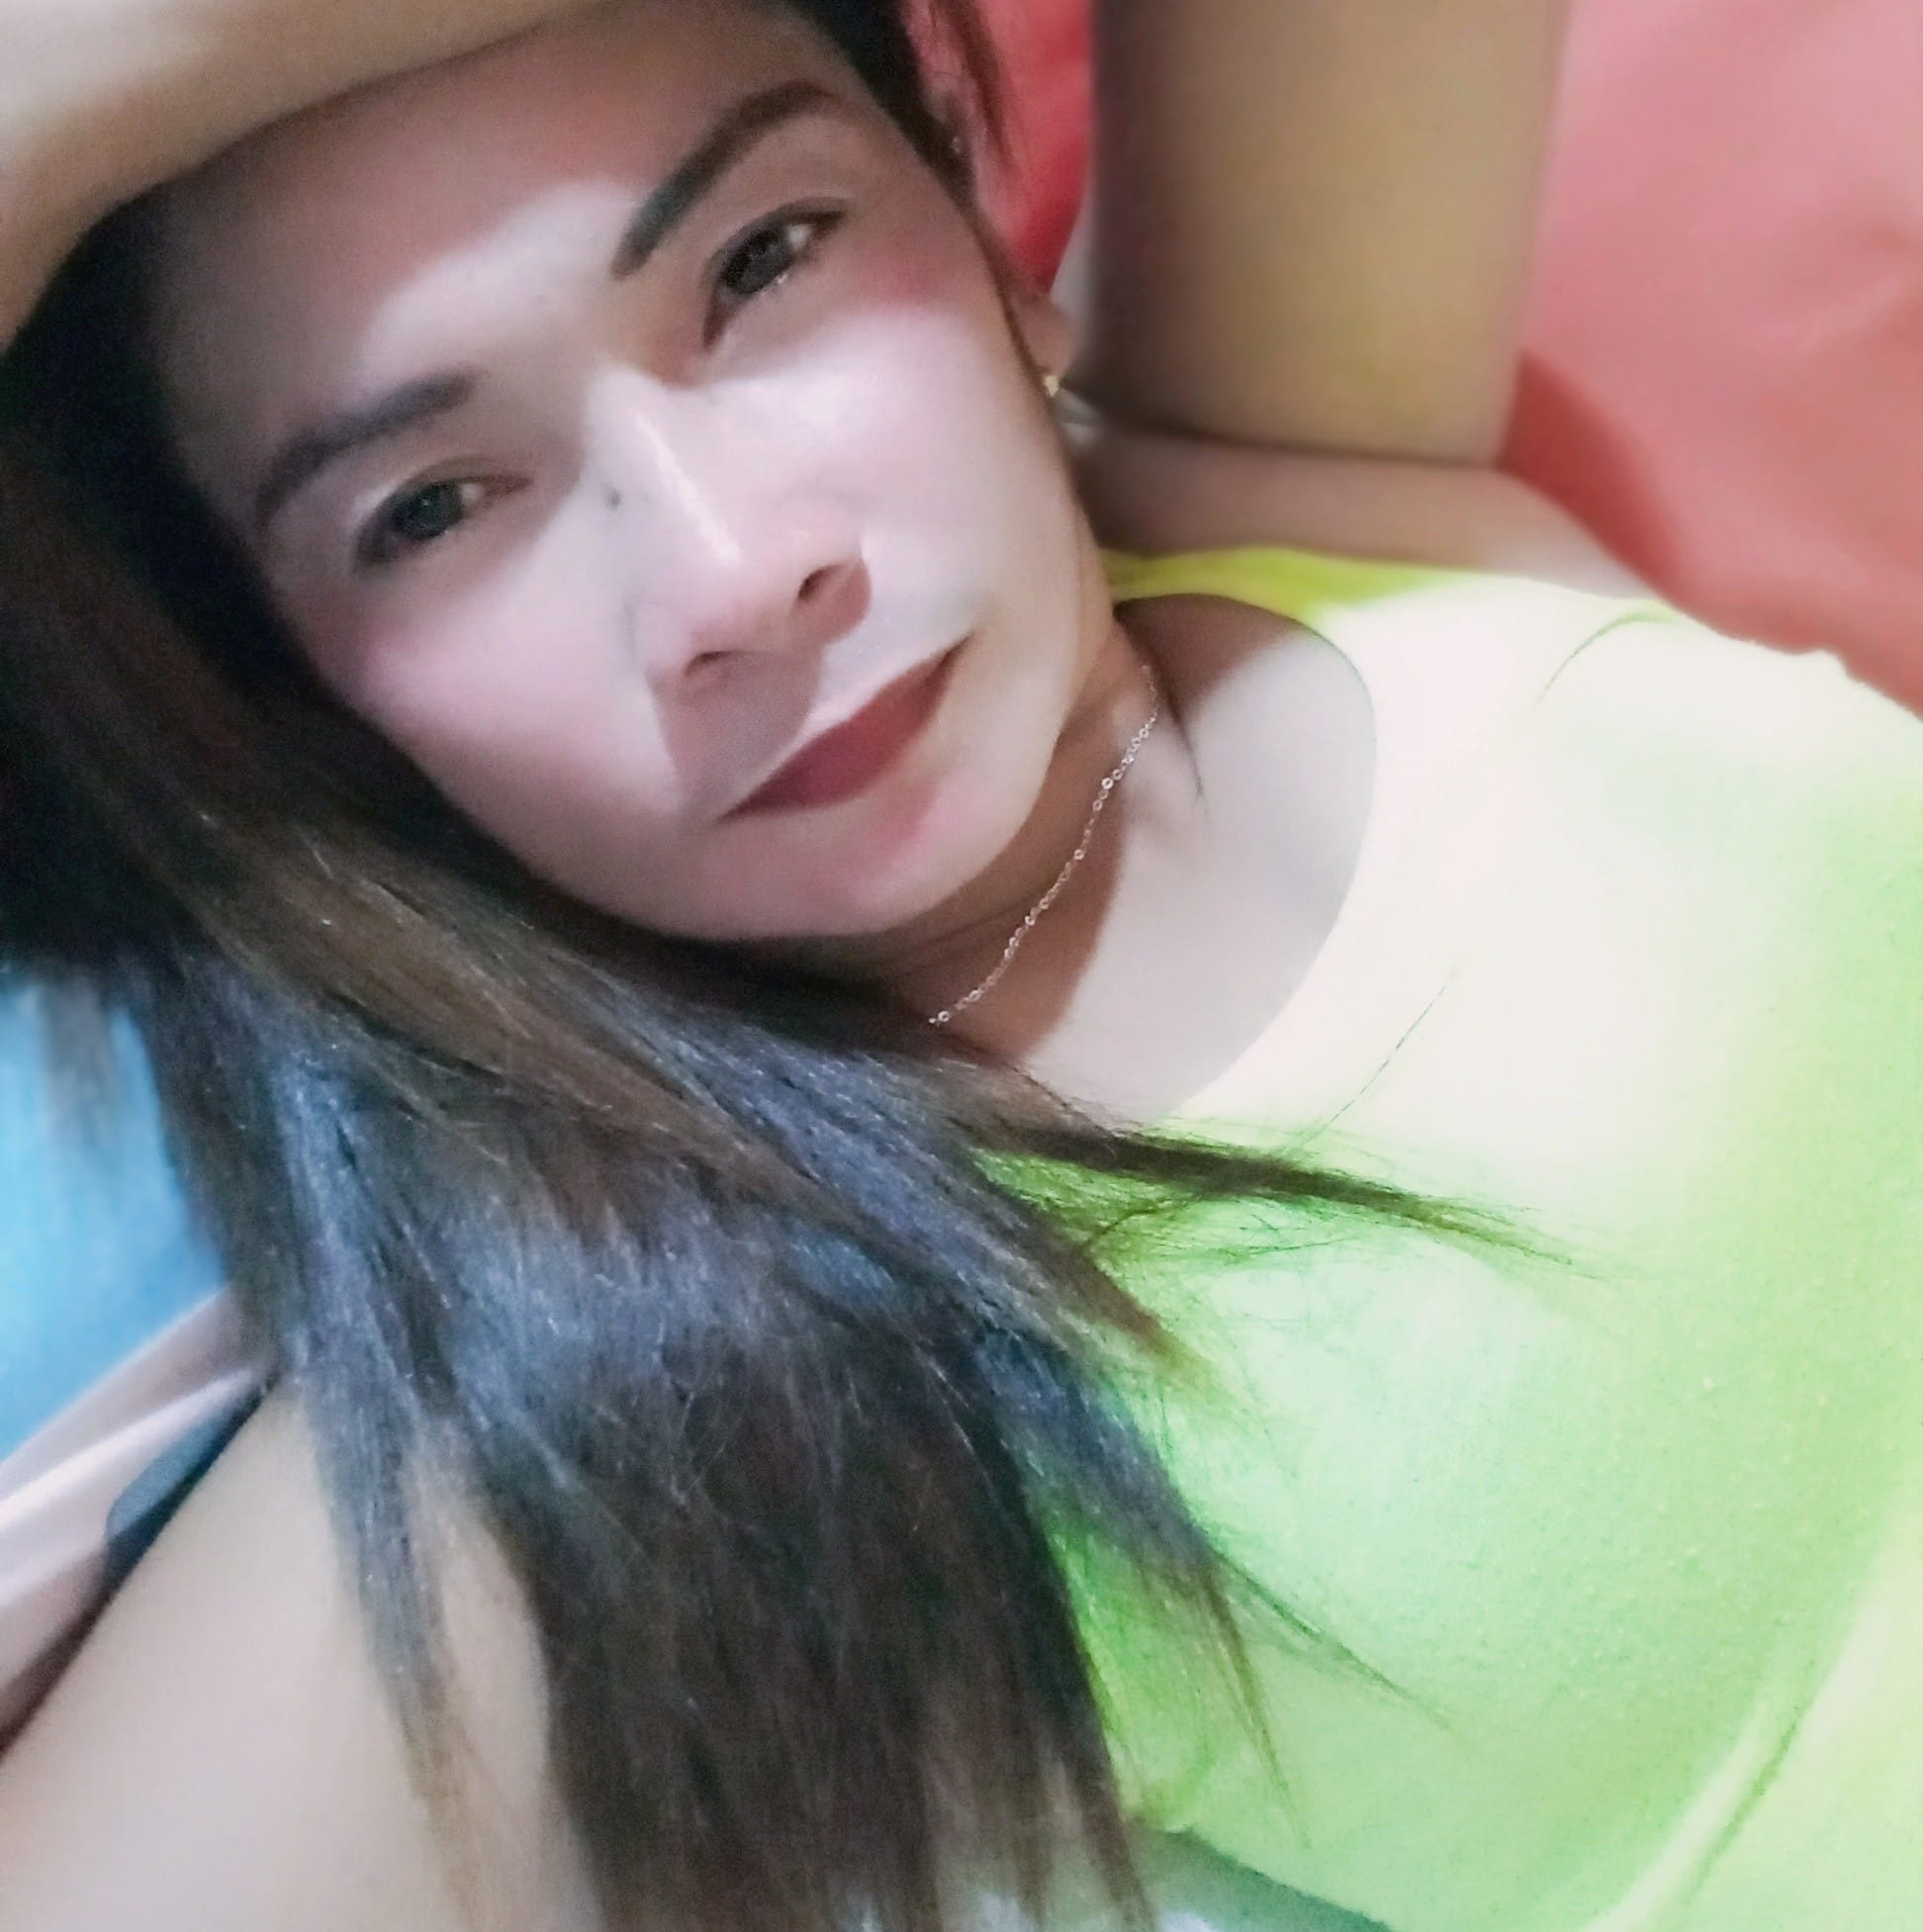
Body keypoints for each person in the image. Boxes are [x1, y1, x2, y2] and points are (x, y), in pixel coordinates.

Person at [0, 2, 1916, 1928]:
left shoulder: (1257, 477)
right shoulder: (674, 1363)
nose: (736, 569)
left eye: (764, 259)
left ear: (980, 238)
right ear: (301, 707)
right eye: (429, 508)